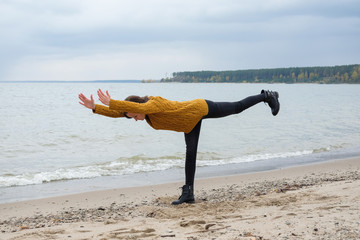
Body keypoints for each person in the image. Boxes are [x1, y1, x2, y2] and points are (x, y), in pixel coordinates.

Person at [78, 89, 280, 205]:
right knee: (190, 154)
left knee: (236, 108)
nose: (136, 120)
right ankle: (189, 192)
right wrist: (96, 107)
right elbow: (122, 114)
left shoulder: (152, 104)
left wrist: (113, 102)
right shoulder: (143, 114)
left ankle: (267, 96)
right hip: (188, 123)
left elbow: (138, 109)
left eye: (134, 116)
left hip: (198, 108)